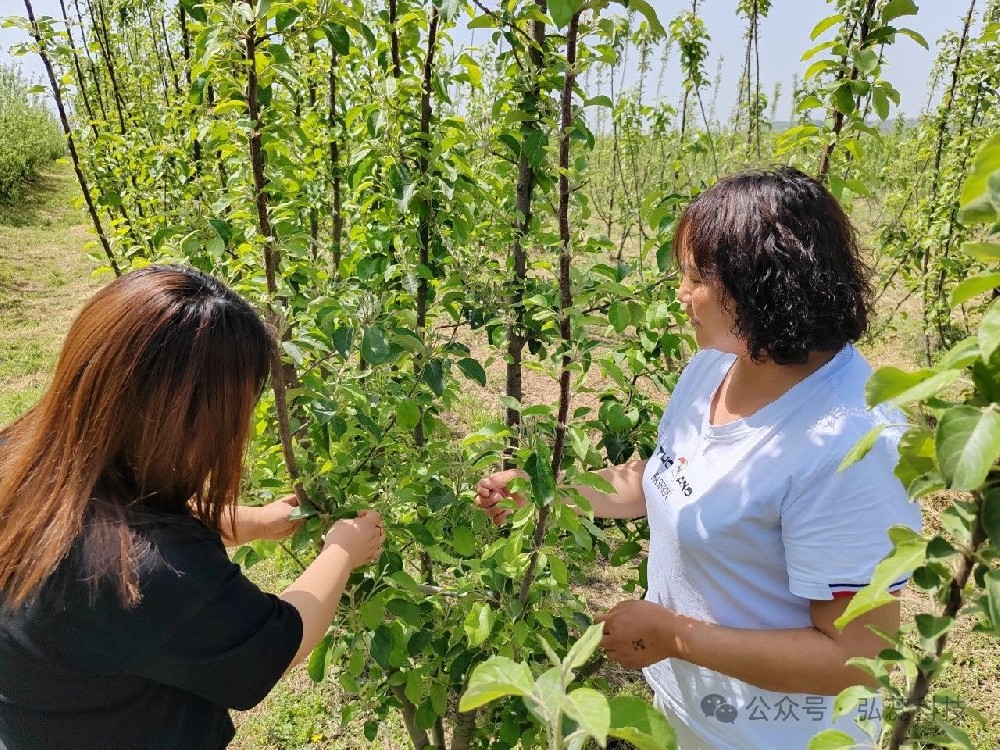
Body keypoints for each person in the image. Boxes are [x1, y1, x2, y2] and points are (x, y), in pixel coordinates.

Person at [476, 167, 921, 749]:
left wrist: (673, 635)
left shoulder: (851, 443)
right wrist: (548, 489)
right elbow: (664, 480)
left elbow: (857, 659)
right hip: (692, 704)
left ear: (758, 283)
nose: (681, 294)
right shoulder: (717, 365)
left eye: (694, 277)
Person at [0, 265, 385, 750]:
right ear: (181, 424)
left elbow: (130, 521)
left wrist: (252, 522)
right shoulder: (153, 580)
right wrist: (343, 550)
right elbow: (274, 643)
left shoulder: (21, 463)